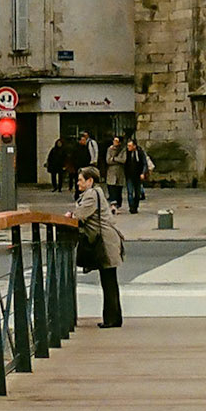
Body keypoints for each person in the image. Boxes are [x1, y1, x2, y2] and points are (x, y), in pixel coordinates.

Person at [72, 165, 124, 328]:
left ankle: (112, 319)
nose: (77, 183)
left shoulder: (91, 195)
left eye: (80, 180)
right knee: (110, 281)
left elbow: (79, 215)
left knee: (108, 281)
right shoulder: (96, 193)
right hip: (109, 239)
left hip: (106, 242)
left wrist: (71, 215)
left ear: (90, 181)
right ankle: (113, 318)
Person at [123, 136, 150, 214]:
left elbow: (145, 163)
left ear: (134, 146)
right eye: (128, 146)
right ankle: (131, 207)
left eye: (130, 146)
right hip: (129, 175)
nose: (128, 147)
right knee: (130, 192)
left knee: (137, 193)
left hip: (138, 175)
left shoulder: (140, 152)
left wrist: (143, 173)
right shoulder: (126, 153)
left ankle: (136, 206)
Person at [105, 135, 127, 211]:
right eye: (114, 141)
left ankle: (118, 204)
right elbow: (108, 160)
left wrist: (114, 159)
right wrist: (117, 160)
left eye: (116, 141)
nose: (115, 142)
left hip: (120, 172)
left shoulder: (123, 150)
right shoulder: (110, 149)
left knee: (118, 189)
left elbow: (123, 160)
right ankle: (113, 204)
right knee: (111, 188)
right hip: (111, 172)